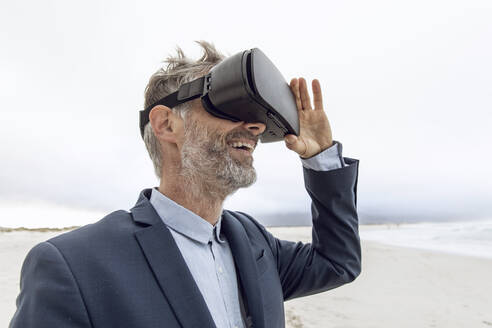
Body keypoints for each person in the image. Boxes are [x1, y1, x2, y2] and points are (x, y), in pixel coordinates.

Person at [10, 41, 361, 328]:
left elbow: (338, 262)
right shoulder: (75, 266)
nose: (254, 128)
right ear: (165, 125)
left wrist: (320, 158)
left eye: (257, 117)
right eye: (232, 103)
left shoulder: (255, 243)